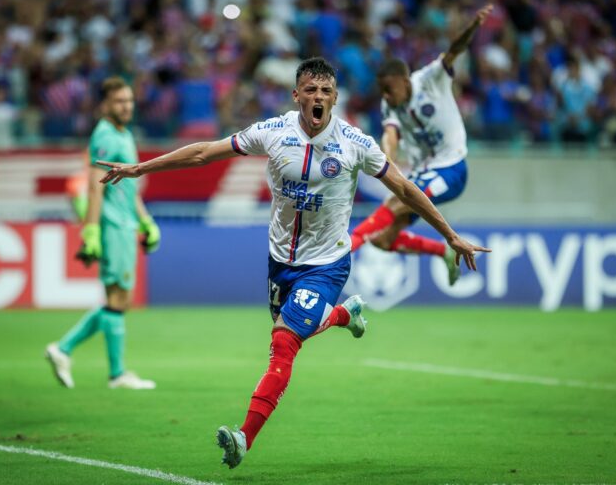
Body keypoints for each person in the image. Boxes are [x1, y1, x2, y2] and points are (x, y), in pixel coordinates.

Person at [98, 58, 490, 467]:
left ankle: (243, 437)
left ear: (335, 98)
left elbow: (406, 189)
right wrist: (141, 168)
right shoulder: (272, 132)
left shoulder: (356, 143)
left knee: (283, 344)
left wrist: (449, 235)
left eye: (325, 91)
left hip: (328, 264)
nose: (318, 98)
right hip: (280, 261)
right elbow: (203, 153)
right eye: (310, 90)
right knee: (288, 332)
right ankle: (342, 316)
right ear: (296, 95)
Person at [350, 5, 494, 286]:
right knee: (383, 239)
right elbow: (390, 135)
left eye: (390, 90)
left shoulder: (430, 79)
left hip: (451, 169)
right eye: (382, 91)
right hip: (421, 174)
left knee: (395, 203)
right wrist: (387, 160)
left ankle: (346, 246)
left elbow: (454, 50)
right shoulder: (390, 104)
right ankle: (441, 251)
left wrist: (472, 27)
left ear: (405, 82)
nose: (386, 96)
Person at [45, 76, 162, 390]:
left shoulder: (123, 135)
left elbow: (129, 188)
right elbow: (94, 189)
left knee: (117, 299)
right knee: (117, 298)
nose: (126, 106)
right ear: (105, 104)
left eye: (129, 101)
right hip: (112, 226)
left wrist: (145, 221)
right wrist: (92, 231)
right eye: (119, 101)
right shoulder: (105, 135)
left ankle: (65, 350)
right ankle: (114, 373)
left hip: (124, 224)